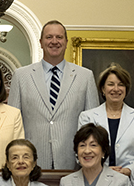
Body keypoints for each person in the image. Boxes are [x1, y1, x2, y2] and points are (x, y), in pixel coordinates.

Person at [7, 20, 100, 170]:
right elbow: (12, 123)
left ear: (66, 41)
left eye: (59, 37)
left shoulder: (85, 76)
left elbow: (92, 125)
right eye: (49, 37)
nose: (54, 41)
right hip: (31, 162)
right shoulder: (21, 76)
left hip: (73, 162)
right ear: (41, 42)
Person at [78, 63, 134, 176]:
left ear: (126, 89)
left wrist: (128, 170)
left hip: (130, 179)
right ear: (103, 89)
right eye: (110, 84)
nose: (116, 89)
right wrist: (103, 170)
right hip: (96, 178)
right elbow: (82, 151)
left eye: (121, 85)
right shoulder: (88, 117)